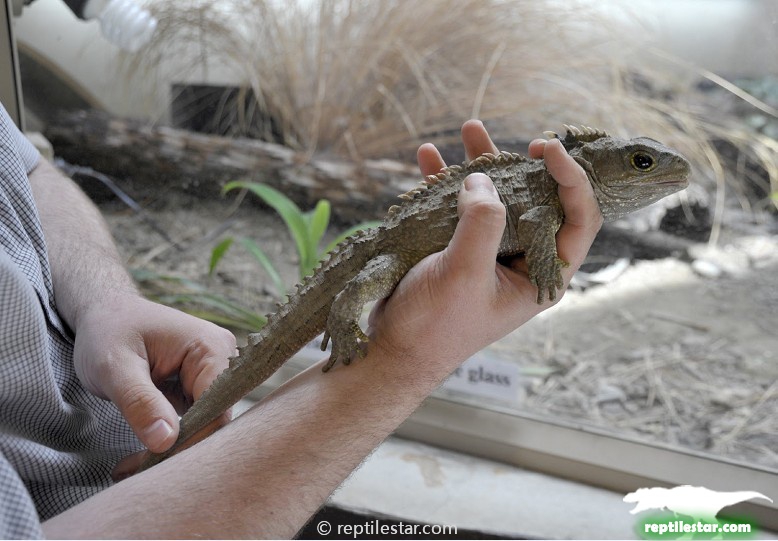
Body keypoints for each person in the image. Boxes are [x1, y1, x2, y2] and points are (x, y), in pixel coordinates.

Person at [0, 99, 602, 538]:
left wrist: (105, 300)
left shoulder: (542, 192)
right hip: (147, 504)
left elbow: (27, 171)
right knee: (356, 295)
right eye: (641, 163)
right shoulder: (542, 204)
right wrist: (398, 357)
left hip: (144, 435)